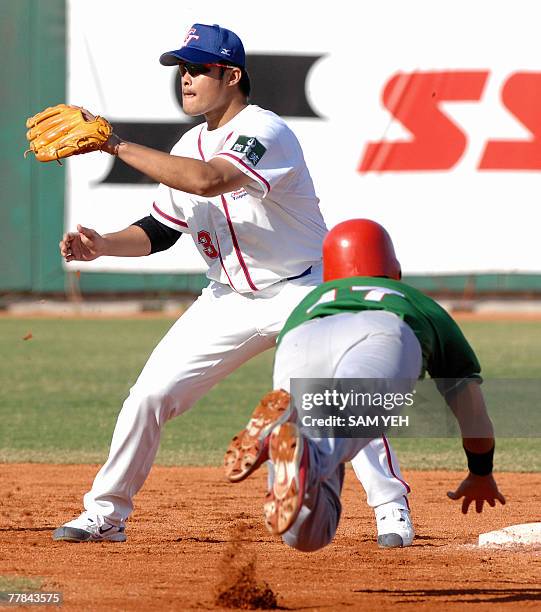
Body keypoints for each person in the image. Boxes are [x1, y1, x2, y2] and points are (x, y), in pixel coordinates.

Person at [53, 23, 412, 545]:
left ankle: (390, 507)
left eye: (198, 68)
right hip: (226, 299)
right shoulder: (189, 142)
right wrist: (102, 244)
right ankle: (105, 515)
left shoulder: (265, 131)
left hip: (301, 289)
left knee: (330, 393)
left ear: (232, 75)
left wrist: (114, 142)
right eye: (182, 68)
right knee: (149, 395)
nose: (186, 77)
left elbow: (209, 180)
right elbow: (160, 231)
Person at [224, 219, 506, 551]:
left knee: (304, 535)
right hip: (381, 331)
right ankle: (310, 456)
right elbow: (471, 410)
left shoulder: (311, 300)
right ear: (394, 269)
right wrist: (481, 471)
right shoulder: (416, 301)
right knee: (351, 422)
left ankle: (284, 437)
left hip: (300, 338)